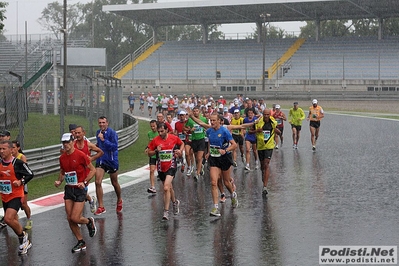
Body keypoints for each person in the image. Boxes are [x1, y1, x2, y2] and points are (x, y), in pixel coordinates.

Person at [55, 133, 97, 253]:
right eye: (64, 143)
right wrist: (59, 181)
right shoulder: (62, 158)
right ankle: (80, 241)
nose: (66, 145)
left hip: (80, 189)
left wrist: (84, 181)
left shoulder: (80, 155)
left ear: (73, 142)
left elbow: (93, 170)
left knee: (75, 217)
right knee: (70, 218)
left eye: (68, 142)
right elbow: (63, 172)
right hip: (69, 189)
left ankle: (89, 221)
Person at [0, 140, 34, 255]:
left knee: (7, 219)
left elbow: (30, 174)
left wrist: (21, 181)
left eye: (4, 149)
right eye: (0, 149)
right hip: (5, 196)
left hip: (16, 195)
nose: (1, 151)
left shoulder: (17, 163)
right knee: (13, 221)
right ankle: (23, 240)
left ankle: (23, 237)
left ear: (11, 150)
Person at [147, 123, 184, 221]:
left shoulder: (173, 138)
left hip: (171, 166)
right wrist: (155, 151)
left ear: (167, 130)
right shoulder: (155, 140)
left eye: (162, 131)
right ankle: (175, 202)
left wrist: (180, 151)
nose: (160, 133)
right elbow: (148, 153)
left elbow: (182, 144)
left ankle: (166, 212)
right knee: (169, 188)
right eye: (158, 131)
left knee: (166, 187)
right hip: (161, 167)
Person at [206, 114, 238, 217]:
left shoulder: (224, 131)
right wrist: (208, 151)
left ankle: (233, 194)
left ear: (220, 121)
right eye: (211, 120)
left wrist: (225, 150)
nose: (212, 122)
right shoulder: (209, 131)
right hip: (214, 159)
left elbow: (234, 145)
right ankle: (215, 207)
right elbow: (210, 142)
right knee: (213, 182)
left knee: (226, 182)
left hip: (224, 158)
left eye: (214, 120)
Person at [94, 116, 123, 215]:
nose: (101, 124)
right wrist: (94, 147)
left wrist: (103, 140)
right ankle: (101, 206)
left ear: (107, 123)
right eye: (100, 122)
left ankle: (119, 199)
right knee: (97, 182)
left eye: (103, 122)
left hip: (111, 160)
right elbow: (99, 144)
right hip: (101, 160)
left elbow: (114, 147)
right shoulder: (98, 132)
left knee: (114, 183)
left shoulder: (112, 133)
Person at [73, 126, 104, 213]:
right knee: (78, 191)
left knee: (81, 191)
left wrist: (91, 158)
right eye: (76, 133)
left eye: (79, 133)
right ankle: (91, 200)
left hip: (86, 172)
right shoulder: (72, 145)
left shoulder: (88, 145)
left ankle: (78, 216)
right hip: (76, 172)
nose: (77, 135)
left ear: (84, 133)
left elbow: (101, 152)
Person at [254, 109, 280, 197]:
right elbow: (250, 131)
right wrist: (257, 131)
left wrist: (278, 132)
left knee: (266, 164)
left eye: (267, 114)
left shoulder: (273, 122)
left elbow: (279, 132)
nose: (266, 116)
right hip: (261, 146)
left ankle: (265, 186)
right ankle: (263, 176)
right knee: (262, 166)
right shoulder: (258, 122)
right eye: (264, 114)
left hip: (269, 146)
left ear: (270, 114)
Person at [11, 140, 33, 230]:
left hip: (22, 183)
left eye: (13, 148)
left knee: (23, 204)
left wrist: (21, 181)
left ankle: (29, 219)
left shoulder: (21, 157)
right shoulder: (8, 158)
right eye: (10, 148)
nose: (11, 150)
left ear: (18, 148)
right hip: (12, 185)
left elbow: (26, 172)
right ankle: (16, 223)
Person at [184, 106, 208, 181]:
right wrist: (190, 129)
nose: (195, 112)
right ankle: (200, 167)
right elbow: (184, 128)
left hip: (201, 139)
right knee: (196, 158)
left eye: (197, 111)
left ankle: (197, 173)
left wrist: (205, 129)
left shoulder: (204, 119)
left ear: (199, 112)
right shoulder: (190, 120)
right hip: (194, 140)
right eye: (194, 111)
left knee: (199, 157)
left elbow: (208, 127)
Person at [145, 120, 158, 194]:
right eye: (151, 126)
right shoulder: (149, 133)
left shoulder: (160, 133)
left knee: (162, 171)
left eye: (154, 126)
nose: (153, 128)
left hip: (160, 154)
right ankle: (152, 187)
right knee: (152, 170)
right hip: (152, 153)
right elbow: (150, 142)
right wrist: (147, 147)